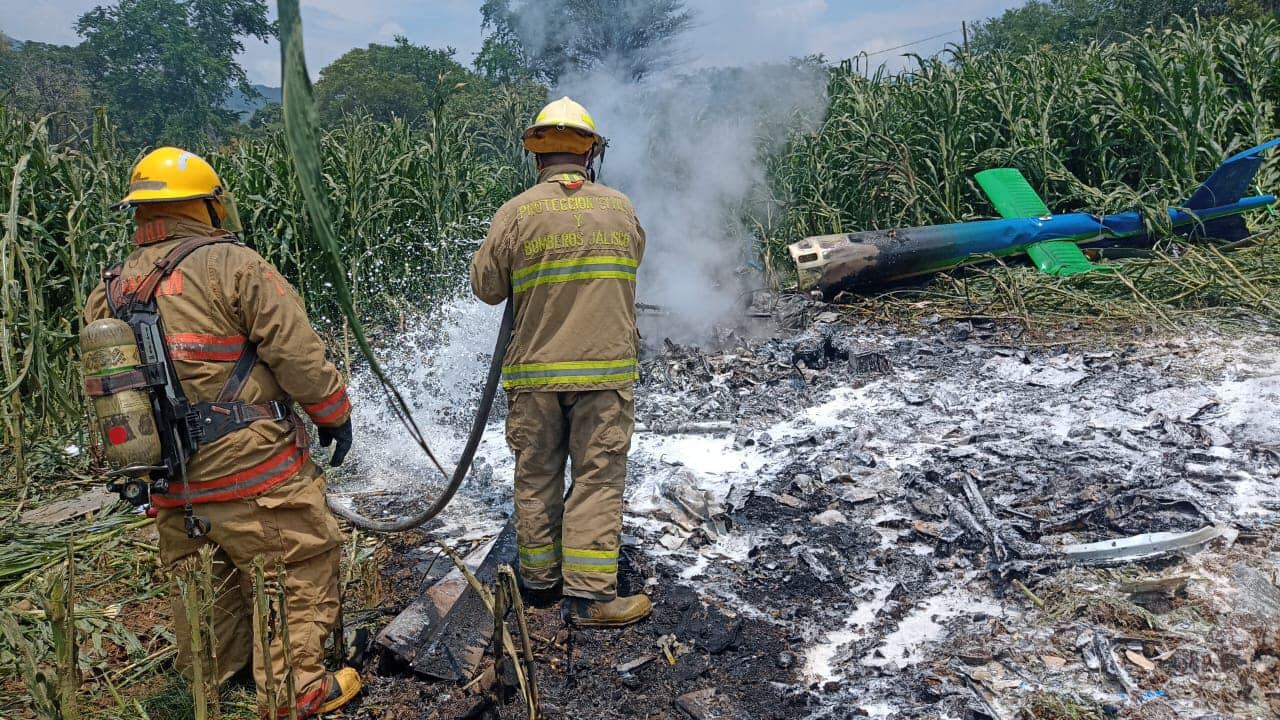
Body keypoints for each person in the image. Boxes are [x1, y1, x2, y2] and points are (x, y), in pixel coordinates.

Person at [83, 147, 361, 717]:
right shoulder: (235, 267)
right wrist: (333, 412)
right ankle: (295, 689)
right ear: (207, 206)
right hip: (251, 469)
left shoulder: (109, 290)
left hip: (171, 478)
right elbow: (298, 352)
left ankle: (214, 678)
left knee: (202, 576)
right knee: (296, 561)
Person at [470, 97, 651, 628]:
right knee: (597, 478)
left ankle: (541, 585)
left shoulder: (515, 212)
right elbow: (632, 260)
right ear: (591, 152)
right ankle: (592, 596)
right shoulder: (620, 207)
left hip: (534, 375)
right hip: (605, 372)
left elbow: (486, 289)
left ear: (538, 157)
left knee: (536, 475)